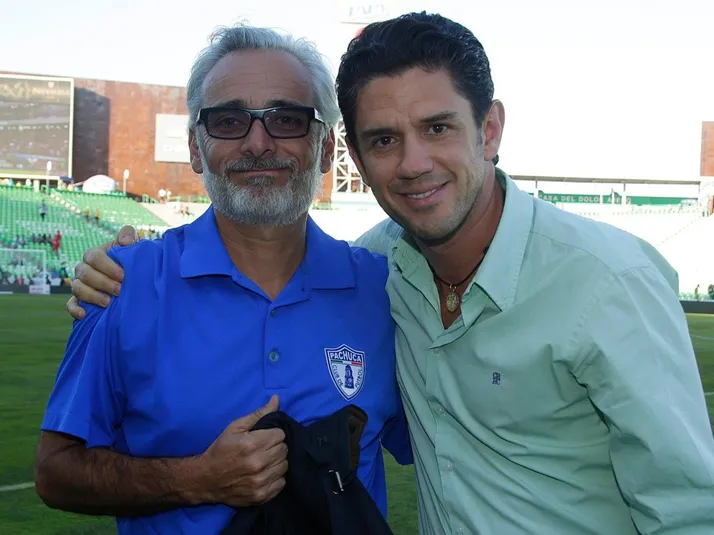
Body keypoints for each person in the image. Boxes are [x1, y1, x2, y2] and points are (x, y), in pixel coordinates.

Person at [67, 12, 714, 535]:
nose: (413, 163)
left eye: (438, 127)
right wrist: (129, 267)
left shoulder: (608, 280)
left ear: (489, 129)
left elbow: (688, 509)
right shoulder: (379, 271)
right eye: (383, 139)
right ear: (352, 153)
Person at [36, 24, 411, 535]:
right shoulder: (123, 285)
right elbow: (55, 471)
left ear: (326, 148)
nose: (258, 143)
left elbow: (454, 445)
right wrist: (197, 479)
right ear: (196, 148)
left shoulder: (386, 292)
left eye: (286, 119)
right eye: (230, 121)